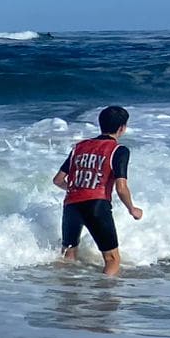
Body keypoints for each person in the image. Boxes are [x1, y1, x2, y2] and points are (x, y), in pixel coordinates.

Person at [54, 105, 144, 276]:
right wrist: (132, 208)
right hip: (97, 205)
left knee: (68, 255)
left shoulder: (79, 147)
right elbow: (121, 187)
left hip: (71, 205)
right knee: (112, 259)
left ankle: (65, 289)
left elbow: (58, 180)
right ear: (122, 128)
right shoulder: (119, 150)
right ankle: (105, 291)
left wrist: (76, 188)